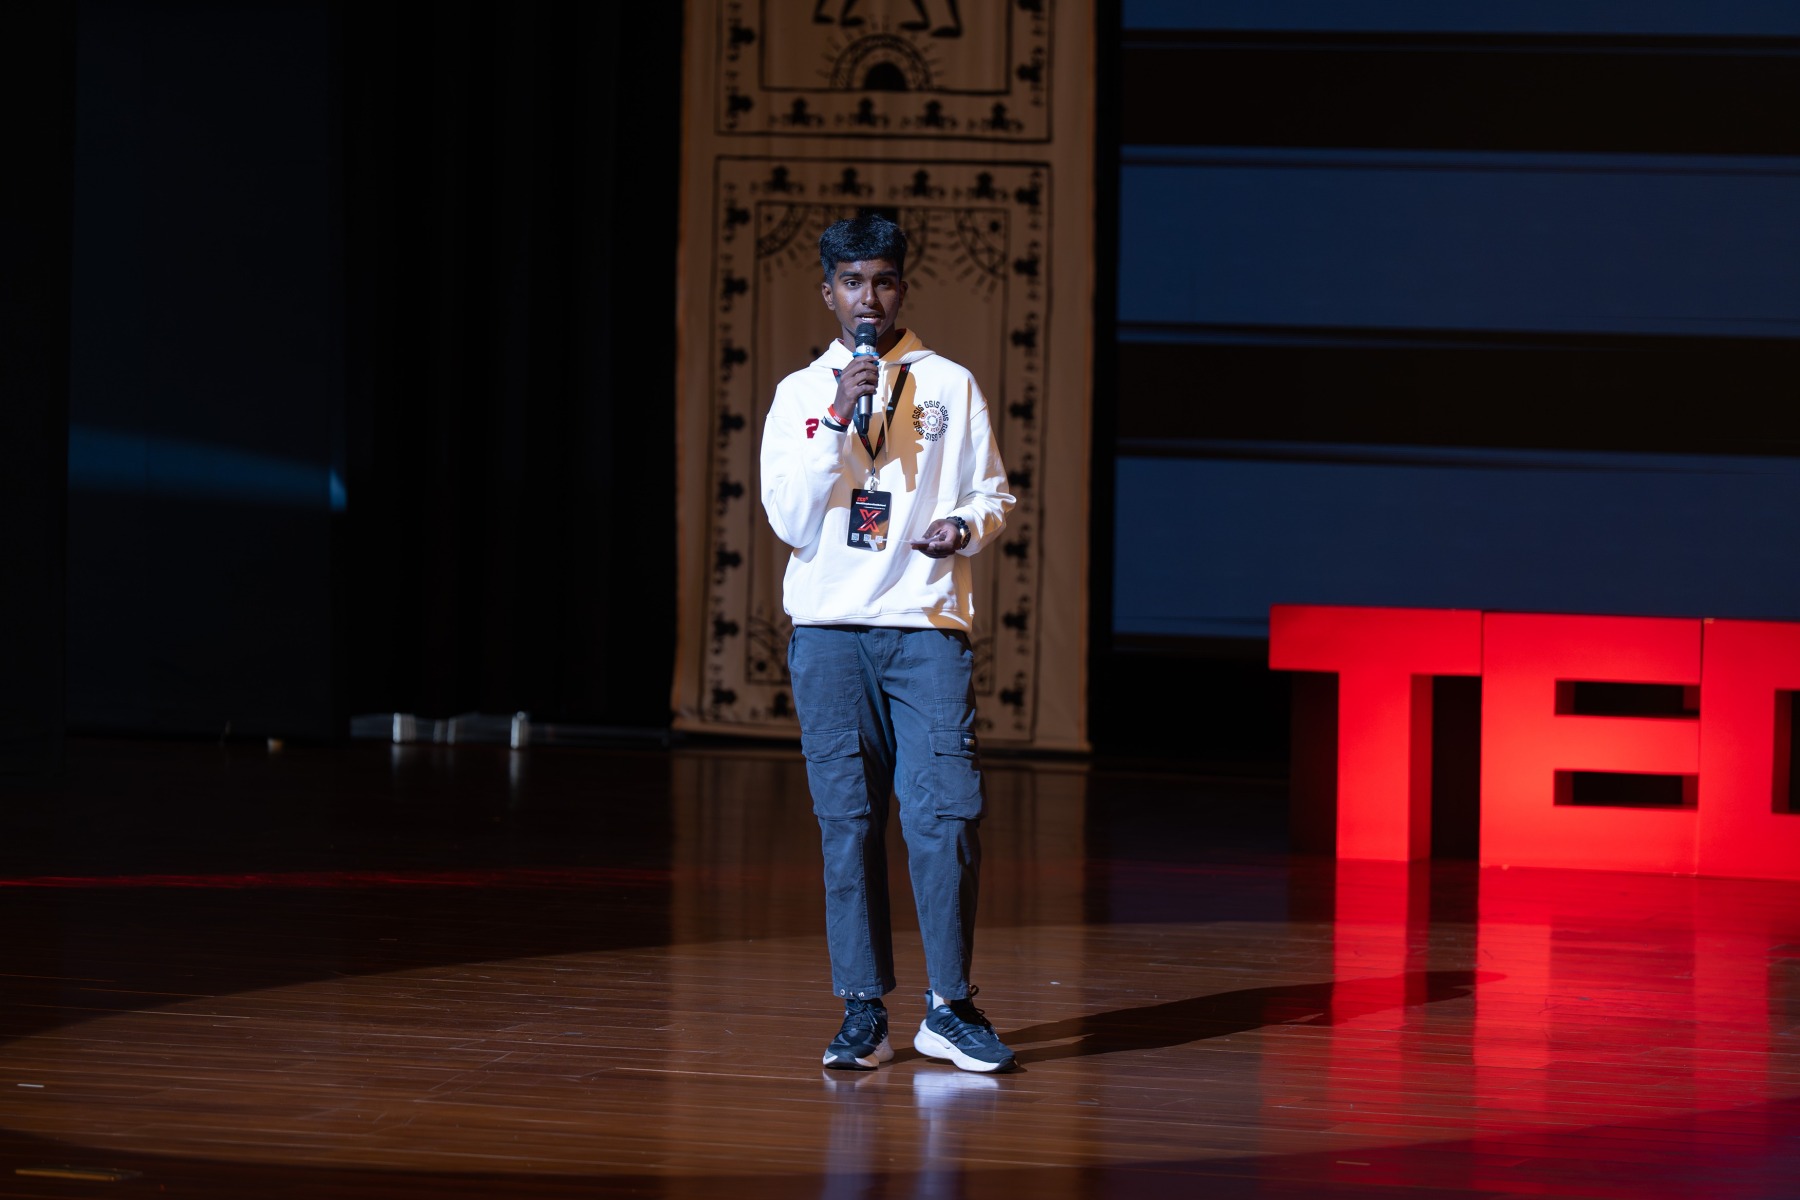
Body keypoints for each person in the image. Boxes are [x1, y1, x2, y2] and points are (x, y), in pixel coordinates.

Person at [759, 213, 1017, 1073]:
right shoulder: (800, 395)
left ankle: (950, 1007)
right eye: (852, 283)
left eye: (883, 280)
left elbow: (993, 493)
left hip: (923, 627)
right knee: (848, 821)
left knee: (944, 816)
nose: (868, 297)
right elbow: (790, 521)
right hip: (830, 634)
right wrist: (837, 417)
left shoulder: (949, 383)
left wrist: (963, 526)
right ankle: (863, 1009)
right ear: (828, 292)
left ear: (901, 288)